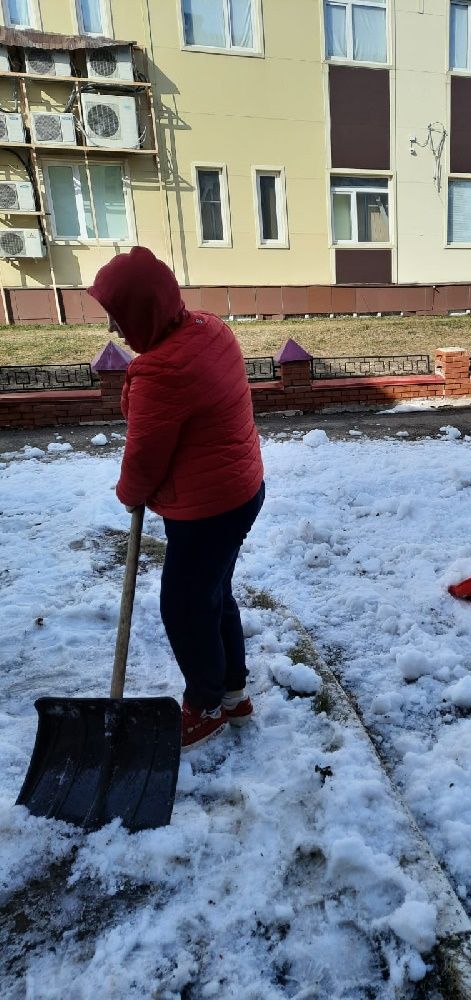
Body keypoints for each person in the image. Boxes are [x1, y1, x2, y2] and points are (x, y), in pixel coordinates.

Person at [89, 247, 265, 751]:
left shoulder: (161, 373)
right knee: (213, 593)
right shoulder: (209, 328)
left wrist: (129, 494)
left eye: (121, 318)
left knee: (185, 607)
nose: (117, 332)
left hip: (206, 509)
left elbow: (144, 457)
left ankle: (206, 705)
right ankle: (232, 693)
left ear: (145, 311)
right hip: (240, 492)